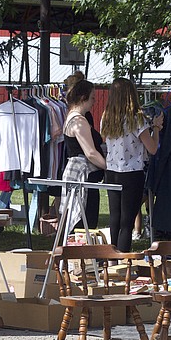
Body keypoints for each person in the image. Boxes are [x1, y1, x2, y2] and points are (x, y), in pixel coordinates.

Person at [99, 78, 161, 251]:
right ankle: (122, 258)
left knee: (115, 218)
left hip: (111, 171)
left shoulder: (106, 117)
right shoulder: (137, 119)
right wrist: (156, 128)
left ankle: (111, 259)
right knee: (127, 222)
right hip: (132, 172)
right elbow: (153, 148)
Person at [61, 80, 107, 230]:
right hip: (83, 177)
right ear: (83, 98)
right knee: (84, 222)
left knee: (84, 221)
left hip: (85, 177)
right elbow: (91, 153)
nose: (94, 101)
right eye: (92, 97)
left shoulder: (75, 118)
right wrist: (111, 167)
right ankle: (81, 252)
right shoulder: (78, 121)